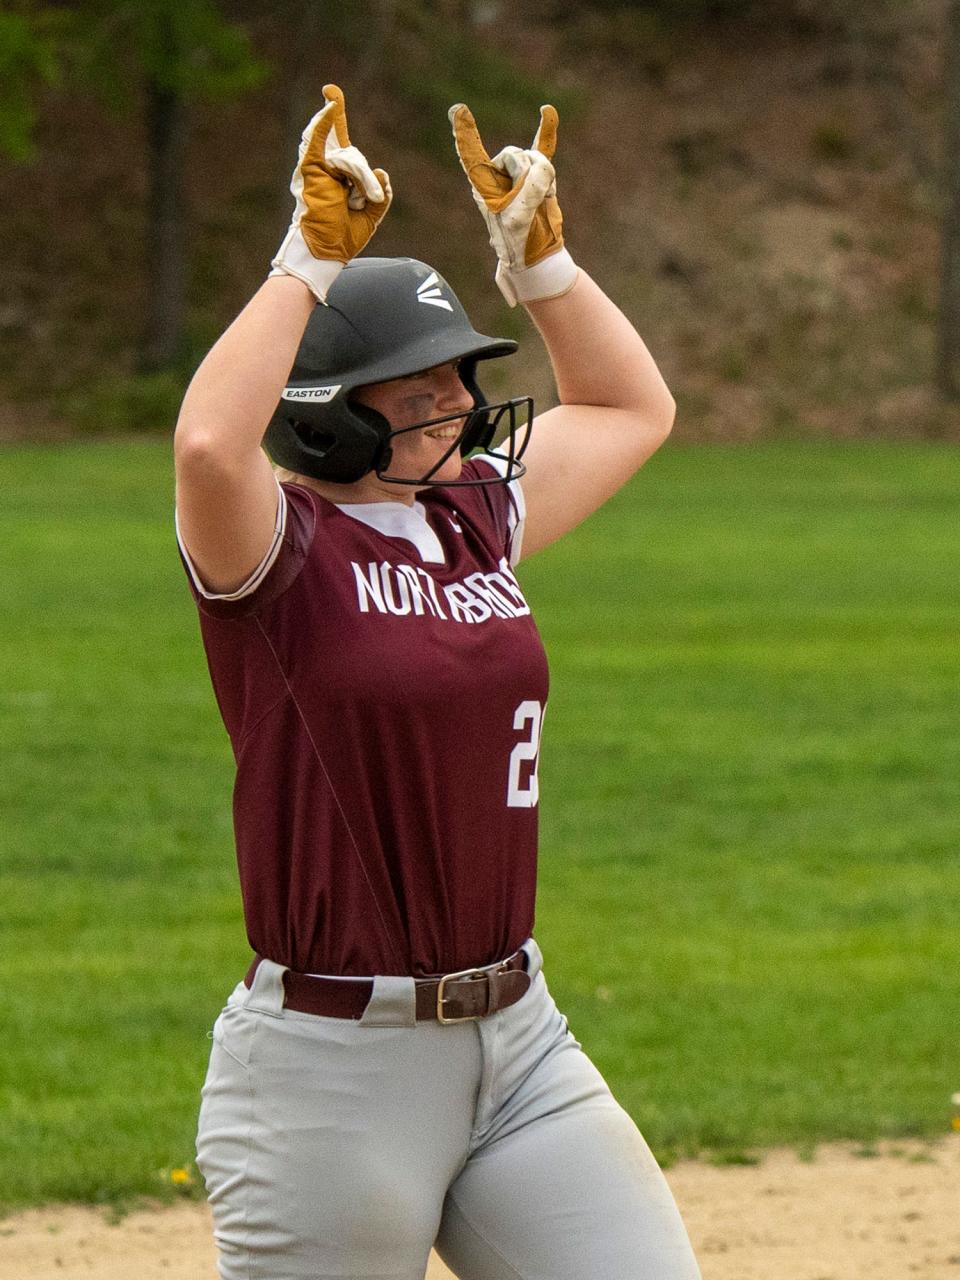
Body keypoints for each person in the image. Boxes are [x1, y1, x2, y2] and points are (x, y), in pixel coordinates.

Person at [174, 82, 701, 1280]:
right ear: (324, 419)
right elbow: (210, 440)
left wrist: (544, 266)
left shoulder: (470, 517)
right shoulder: (273, 549)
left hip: (522, 1042)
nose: (461, 408)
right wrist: (304, 255)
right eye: (418, 393)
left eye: (460, 379)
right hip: (328, 1073)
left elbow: (632, 407)